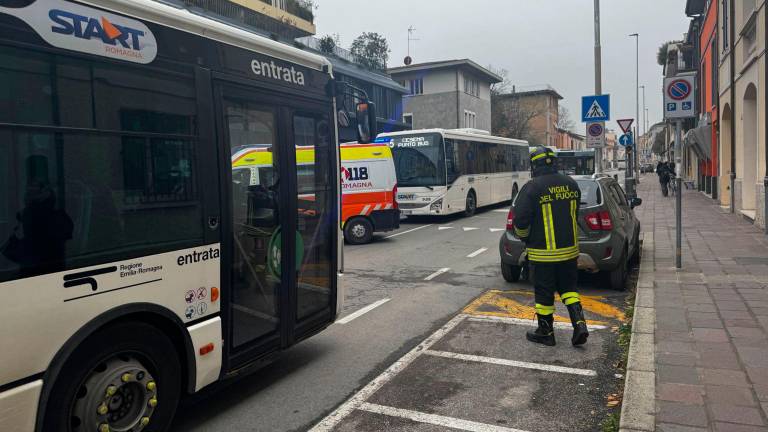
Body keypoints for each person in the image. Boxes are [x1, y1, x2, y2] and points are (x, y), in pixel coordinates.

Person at [512, 146, 588, 347]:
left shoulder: (532, 187)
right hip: (570, 251)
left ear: (534, 166)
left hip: (543, 253)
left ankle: (546, 332)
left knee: (544, 293)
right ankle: (580, 325)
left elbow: (520, 220)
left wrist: (525, 238)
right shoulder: (571, 184)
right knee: (569, 289)